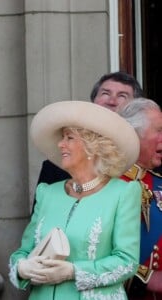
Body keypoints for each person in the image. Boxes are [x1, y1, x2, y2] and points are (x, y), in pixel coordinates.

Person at [9, 100, 142, 299]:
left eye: (69, 138)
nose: (60, 144)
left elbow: (127, 261)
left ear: (92, 147)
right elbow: (24, 251)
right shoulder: (47, 193)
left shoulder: (123, 192)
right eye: (62, 138)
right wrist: (22, 267)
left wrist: (73, 271)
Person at [37, 71, 144, 186]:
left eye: (122, 96)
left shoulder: (145, 159)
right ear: (93, 101)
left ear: (134, 107)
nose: (112, 101)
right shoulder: (57, 165)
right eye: (105, 93)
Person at [118, 98, 162, 300]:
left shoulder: (159, 183)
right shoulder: (107, 184)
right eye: (159, 130)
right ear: (134, 136)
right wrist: (147, 277)